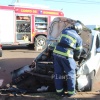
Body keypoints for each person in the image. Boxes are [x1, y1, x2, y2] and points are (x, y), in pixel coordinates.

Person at [53, 22, 83, 97]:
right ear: (79, 30)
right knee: (71, 74)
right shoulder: (78, 38)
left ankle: (59, 92)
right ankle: (71, 92)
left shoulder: (65, 31)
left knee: (58, 74)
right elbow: (78, 51)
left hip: (56, 53)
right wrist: (76, 58)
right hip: (66, 55)